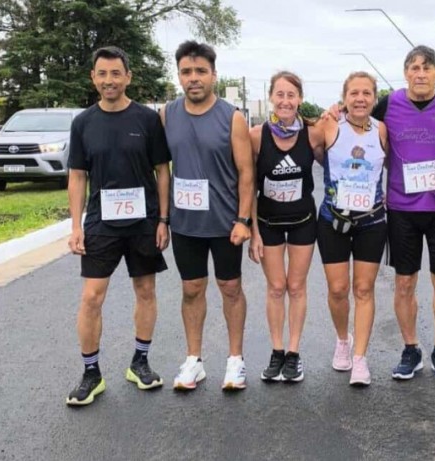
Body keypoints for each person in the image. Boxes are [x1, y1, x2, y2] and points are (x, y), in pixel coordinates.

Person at [65, 46, 171, 406]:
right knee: (91, 297)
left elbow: (162, 171)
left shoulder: (147, 119)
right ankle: (91, 373)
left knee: (145, 291)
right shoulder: (83, 123)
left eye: (115, 73)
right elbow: (77, 176)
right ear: (93, 78)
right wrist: (76, 225)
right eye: (102, 74)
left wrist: (163, 219)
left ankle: (140, 362)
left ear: (128, 77)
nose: (109, 80)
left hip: (143, 222)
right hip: (101, 224)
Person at [163, 41, 254, 391]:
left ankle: (235, 361)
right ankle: (193, 361)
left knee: (230, 287)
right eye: (187, 72)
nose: (194, 78)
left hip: (225, 222)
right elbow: (161, 168)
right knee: (191, 288)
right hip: (185, 223)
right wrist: (163, 219)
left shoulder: (232, 117)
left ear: (213, 75)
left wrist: (243, 220)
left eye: (201, 71)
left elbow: (246, 173)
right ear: (180, 76)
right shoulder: (167, 114)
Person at [375, 46, 435, 382]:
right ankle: (411, 348)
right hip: (401, 209)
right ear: (406, 73)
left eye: (427, 68)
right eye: (413, 68)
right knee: (404, 282)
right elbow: (356, 122)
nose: (420, 74)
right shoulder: (389, 104)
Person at [248, 71, 322, 383]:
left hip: (304, 220)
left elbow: (338, 152)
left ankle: (294, 353)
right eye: (280, 95)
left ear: (300, 99)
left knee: (297, 286)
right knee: (276, 287)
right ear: (271, 98)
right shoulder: (256, 136)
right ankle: (276, 350)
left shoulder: (313, 133)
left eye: (291, 95)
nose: (286, 101)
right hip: (268, 222)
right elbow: (247, 185)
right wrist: (252, 230)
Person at [317, 71, 388, 386]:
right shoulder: (329, 125)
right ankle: (342, 341)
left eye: (367, 93)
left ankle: (360, 358)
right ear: (344, 98)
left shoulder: (382, 130)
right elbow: (315, 154)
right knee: (338, 289)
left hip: (371, 220)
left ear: (374, 97)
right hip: (333, 219)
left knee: (363, 289)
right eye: (354, 93)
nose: (360, 98)